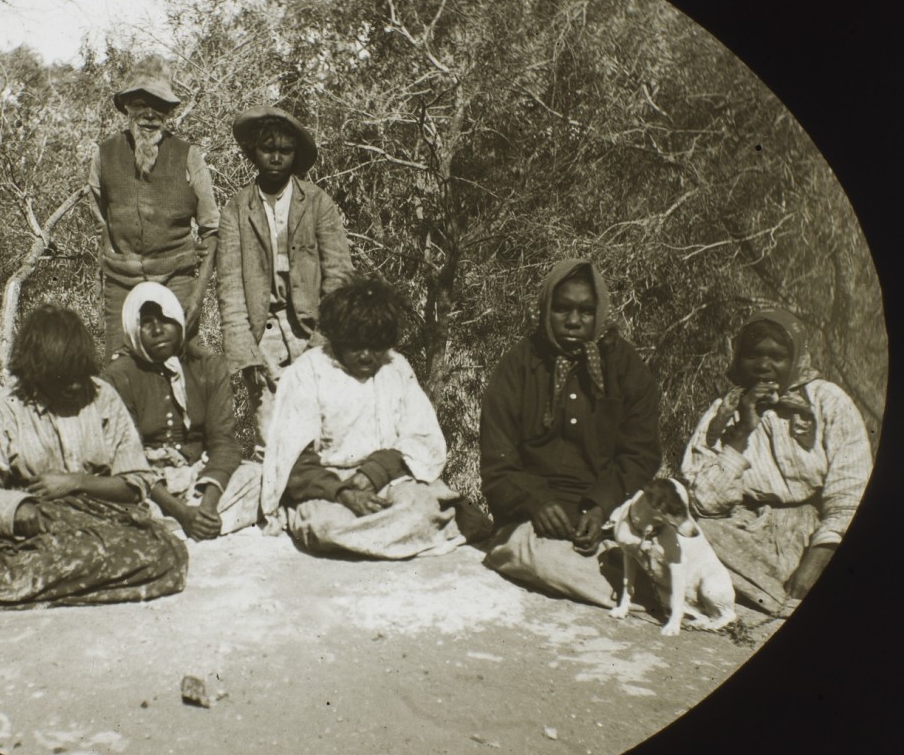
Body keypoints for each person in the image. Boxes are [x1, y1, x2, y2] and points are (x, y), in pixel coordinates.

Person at [0, 304, 187, 609]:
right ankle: (82, 581)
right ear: (36, 376)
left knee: (164, 552)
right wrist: (19, 510)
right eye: (62, 379)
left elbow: (136, 482)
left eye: (80, 375)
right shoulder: (5, 408)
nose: (75, 386)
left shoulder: (102, 397)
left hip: (103, 520)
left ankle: (47, 587)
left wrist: (77, 483)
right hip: (37, 530)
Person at [480, 259, 661, 607]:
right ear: (546, 309)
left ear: (600, 314)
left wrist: (601, 505)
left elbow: (640, 454)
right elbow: (496, 464)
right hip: (531, 522)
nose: (574, 321)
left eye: (586, 311)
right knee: (537, 557)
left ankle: (626, 576)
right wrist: (536, 501)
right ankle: (639, 592)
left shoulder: (625, 367)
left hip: (605, 518)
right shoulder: (517, 366)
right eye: (562, 309)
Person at [680, 308, 872, 614]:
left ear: (795, 360)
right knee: (689, 533)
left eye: (778, 357)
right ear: (738, 359)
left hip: (812, 535)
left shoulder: (827, 401)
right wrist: (742, 430)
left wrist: (817, 561)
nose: (764, 366)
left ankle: (762, 595)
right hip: (744, 534)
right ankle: (772, 599)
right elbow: (704, 503)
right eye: (753, 355)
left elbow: (850, 494)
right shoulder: (723, 412)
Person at [260, 277, 463, 560]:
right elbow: (292, 459)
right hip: (328, 487)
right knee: (327, 526)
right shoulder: (307, 373)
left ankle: (376, 537)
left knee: (422, 510)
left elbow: (422, 437)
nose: (367, 355)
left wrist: (374, 472)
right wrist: (344, 492)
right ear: (337, 338)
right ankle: (408, 536)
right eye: (356, 345)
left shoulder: (396, 367)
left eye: (376, 345)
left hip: (391, 478)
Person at [217, 106, 354, 450]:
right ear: (252, 153)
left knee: (325, 429)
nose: (276, 158)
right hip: (263, 330)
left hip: (313, 326)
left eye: (285, 151)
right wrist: (246, 353)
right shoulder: (236, 209)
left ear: (296, 156)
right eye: (267, 149)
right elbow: (230, 286)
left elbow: (339, 273)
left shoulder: (318, 204)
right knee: (272, 432)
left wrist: (324, 338)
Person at [104, 282, 262, 540]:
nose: (157, 329)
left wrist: (208, 504)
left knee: (258, 477)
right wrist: (179, 511)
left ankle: (194, 522)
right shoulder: (119, 376)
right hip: (149, 487)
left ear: (179, 320)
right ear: (133, 329)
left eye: (166, 318)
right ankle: (190, 524)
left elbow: (224, 442)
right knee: (113, 502)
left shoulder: (208, 366)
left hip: (198, 477)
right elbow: (126, 459)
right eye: (146, 322)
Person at [87, 54, 219, 361]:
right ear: (127, 108)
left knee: (184, 368)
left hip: (176, 281)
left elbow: (212, 230)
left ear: (169, 111)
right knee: (119, 372)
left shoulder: (189, 157)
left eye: (158, 105)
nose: (149, 114)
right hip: (121, 283)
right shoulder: (103, 155)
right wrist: (113, 265)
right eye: (140, 103)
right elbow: (100, 219)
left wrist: (196, 299)